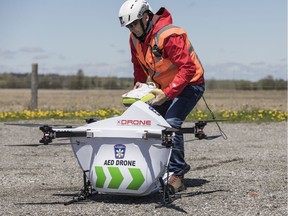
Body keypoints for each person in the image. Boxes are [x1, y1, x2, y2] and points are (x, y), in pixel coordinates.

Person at [118, 0, 205, 192]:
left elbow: (188, 68)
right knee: (146, 119)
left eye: (134, 24)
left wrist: (168, 94)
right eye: (128, 26)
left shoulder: (169, 35)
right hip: (164, 88)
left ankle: (177, 176)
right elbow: (138, 67)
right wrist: (138, 88)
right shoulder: (134, 39)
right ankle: (159, 167)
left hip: (191, 84)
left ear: (146, 17)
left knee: (171, 123)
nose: (132, 29)